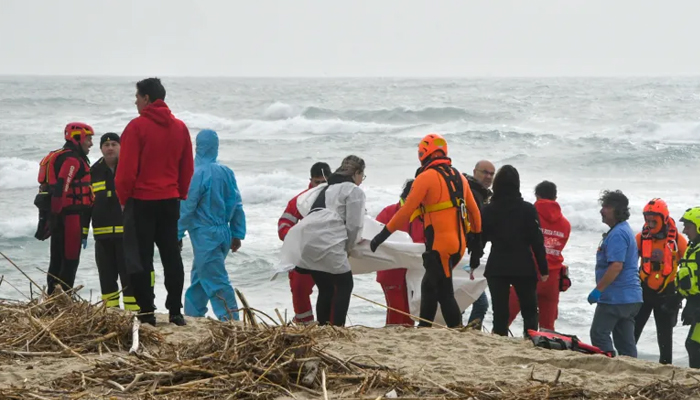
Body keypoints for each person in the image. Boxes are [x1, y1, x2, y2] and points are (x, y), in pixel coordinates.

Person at [370, 133, 482, 328]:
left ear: (423, 153)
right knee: (429, 286)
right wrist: (477, 242)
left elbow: (406, 211)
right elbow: (474, 212)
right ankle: (424, 328)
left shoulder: (426, 177)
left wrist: (382, 235)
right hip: (459, 245)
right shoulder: (459, 177)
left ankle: (456, 330)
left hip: (441, 246)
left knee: (444, 292)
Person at [116, 77, 194, 326]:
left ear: (147, 99)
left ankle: (147, 311)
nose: (135, 101)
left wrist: (123, 198)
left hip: (141, 200)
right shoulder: (180, 127)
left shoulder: (136, 127)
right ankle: (175, 311)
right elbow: (187, 168)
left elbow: (126, 171)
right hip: (170, 199)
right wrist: (179, 193)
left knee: (141, 257)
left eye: (137, 96)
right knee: (171, 255)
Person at [284, 156, 366, 326]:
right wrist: (349, 248)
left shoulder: (326, 188)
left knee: (326, 287)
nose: (361, 181)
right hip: (327, 240)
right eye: (362, 176)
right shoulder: (353, 190)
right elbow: (354, 225)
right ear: (356, 173)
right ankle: (337, 328)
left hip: (306, 239)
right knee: (345, 284)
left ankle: (323, 327)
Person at [177, 129, 246, 321]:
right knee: (200, 278)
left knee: (216, 281)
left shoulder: (196, 173)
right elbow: (237, 204)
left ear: (197, 146)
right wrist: (237, 233)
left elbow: (187, 206)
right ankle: (192, 315)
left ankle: (231, 321)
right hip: (223, 232)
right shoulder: (226, 172)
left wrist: (177, 232)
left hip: (205, 234)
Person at [480, 165, 548, 337]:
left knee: (500, 313)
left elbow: (480, 238)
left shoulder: (488, 209)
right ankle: (531, 340)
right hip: (523, 265)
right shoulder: (527, 209)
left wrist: (474, 261)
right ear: (516, 184)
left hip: (497, 265)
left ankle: (500, 341)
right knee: (530, 310)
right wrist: (543, 268)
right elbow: (537, 241)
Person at [35, 122, 94, 295]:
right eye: (89, 139)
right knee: (70, 260)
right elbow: (62, 187)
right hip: (69, 217)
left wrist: (50, 219)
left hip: (58, 216)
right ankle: (63, 299)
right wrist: (56, 216)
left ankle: (52, 299)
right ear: (78, 138)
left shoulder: (59, 155)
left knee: (56, 259)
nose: (90, 143)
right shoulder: (71, 160)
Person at [508, 181, 570, 332]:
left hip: (527, 274)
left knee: (504, 317)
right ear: (555, 197)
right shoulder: (565, 224)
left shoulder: (528, 215)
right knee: (547, 328)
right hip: (552, 278)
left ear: (537, 196)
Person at [588, 190, 643, 357]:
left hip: (616, 298)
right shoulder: (623, 230)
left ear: (618, 210)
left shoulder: (618, 234)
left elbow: (616, 266)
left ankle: (608, 365)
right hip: (631, 298)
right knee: (625, 343)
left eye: (607, 207)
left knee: (599, 334)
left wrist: (598, 290)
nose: (602, 210)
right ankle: (631, 369)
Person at [633, 198, 687, 365]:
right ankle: (625, 360)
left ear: (664, 218)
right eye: (647, 219)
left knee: (665, 336)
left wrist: (680, 294)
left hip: (667, 293)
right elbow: (628, 264)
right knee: (632, 331)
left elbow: (690, 267)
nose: (649, 223)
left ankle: (666, 366)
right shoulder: (640, 238)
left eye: (653, 219)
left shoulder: (678, 240)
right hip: (643, 291)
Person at [89, 133, 138, 311]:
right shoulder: (92, 172)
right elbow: (87, 205)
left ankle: (134, 313)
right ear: (101, 148)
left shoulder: (130, 168)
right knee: (106, 278)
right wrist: (82, 232)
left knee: (129, 277)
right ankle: (111, 313)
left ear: (121, 147)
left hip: (127, 236)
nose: (110, 148)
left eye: (114, 144)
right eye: (106, 144)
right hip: (102, 238)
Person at [278, 162, 331, 324]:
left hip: (329, 252)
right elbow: (283, 225)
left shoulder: (337, 198)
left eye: (324, 182)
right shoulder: (300, 201)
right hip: (304, 254)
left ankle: (330, 324)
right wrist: (296, 238)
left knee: (333, 290)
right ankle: (304, 323)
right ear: (311, 180)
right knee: (299, 288)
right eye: (317, 182)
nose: (321, 186)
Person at [375, 179, 425, 327]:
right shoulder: (389, 212)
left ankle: (405, 343)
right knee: (397, 311)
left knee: (410, 313)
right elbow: (374, 238)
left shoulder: (423, 215)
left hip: (415, 273)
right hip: (391, 272)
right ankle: (392, 341)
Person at [463, 160, 495, 329]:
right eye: (485, 172)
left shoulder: (482, 194)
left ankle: (462, 331)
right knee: (480, 302)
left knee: (465, 296)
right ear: (475, 172)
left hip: (470, 254)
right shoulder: (471, 192)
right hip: (464, 253)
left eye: (492, 174)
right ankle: (465, 332)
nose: (488, 177)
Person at [676, 207, 700, 368]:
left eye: (688, 226)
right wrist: (676, 299)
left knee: (693, 344)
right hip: (694, 303)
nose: (684, 231)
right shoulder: (692, 249)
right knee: (693, 345)